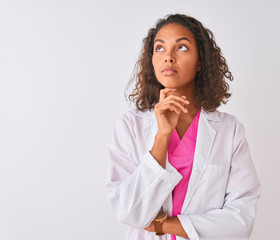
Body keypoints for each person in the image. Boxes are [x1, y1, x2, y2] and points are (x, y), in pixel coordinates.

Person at [106, 14, 261, 240]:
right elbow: (130, 212)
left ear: (200, 62)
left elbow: (240, 221)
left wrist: (163, 225)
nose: (168, 57)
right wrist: (162, 136)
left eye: (181, 48)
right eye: (159, 48)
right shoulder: (130, 127)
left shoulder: (230, 130)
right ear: (151, 60)